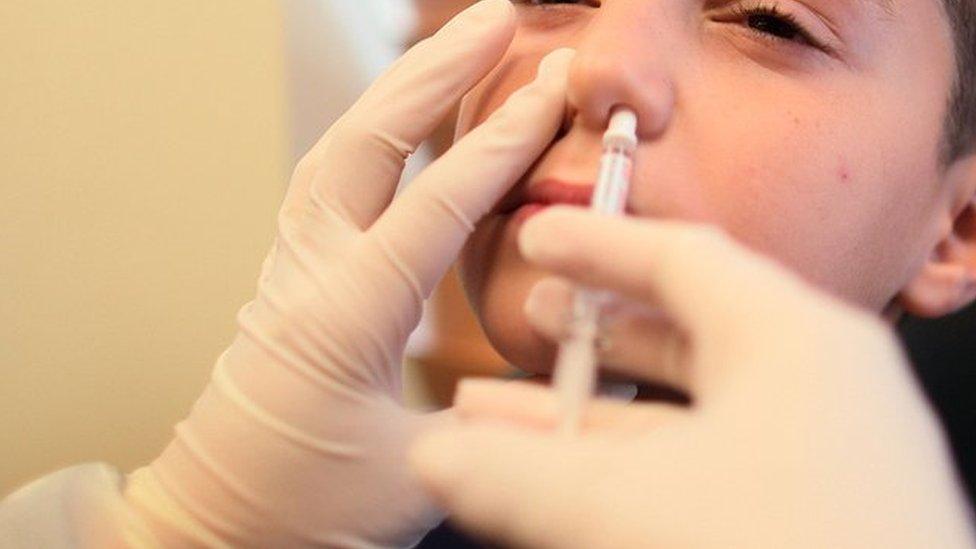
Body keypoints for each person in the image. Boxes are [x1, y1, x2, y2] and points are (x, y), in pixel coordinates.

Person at [0, 0, 974, 547]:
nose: (600, 69)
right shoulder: (355, 516)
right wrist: (176, 531)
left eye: (772, 17)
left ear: (957, 230)